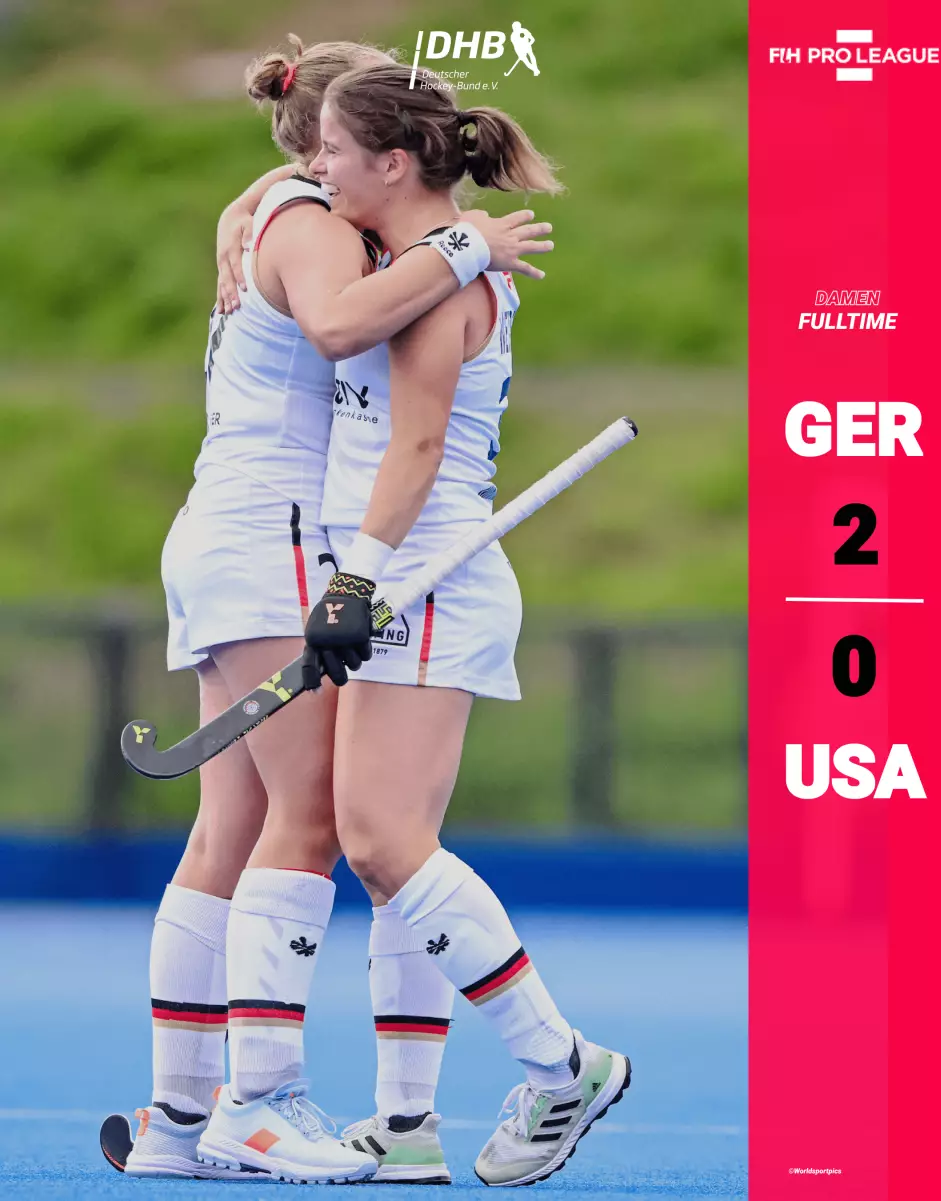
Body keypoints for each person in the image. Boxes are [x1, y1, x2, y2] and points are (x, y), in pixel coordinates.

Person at [102, 37, 554, 1185]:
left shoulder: (278, 206)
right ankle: (260, 1102)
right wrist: (467, 243)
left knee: (230, 830)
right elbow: (344, 328)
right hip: (272, 541)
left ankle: (175, 1121)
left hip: (229, 533)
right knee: (307, 822)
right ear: (337, 147)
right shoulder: (314, 226)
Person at [259, 63, 631, 1188]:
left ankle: (563, 1064)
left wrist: (358, 581)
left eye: (331, 148)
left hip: (423, 576)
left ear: (392, 162)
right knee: (393, 861)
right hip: (402, 574)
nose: (316, 166)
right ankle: (406, 1122)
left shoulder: (439, 280)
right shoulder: (419, 262)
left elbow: (418, 444)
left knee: (381, 842)